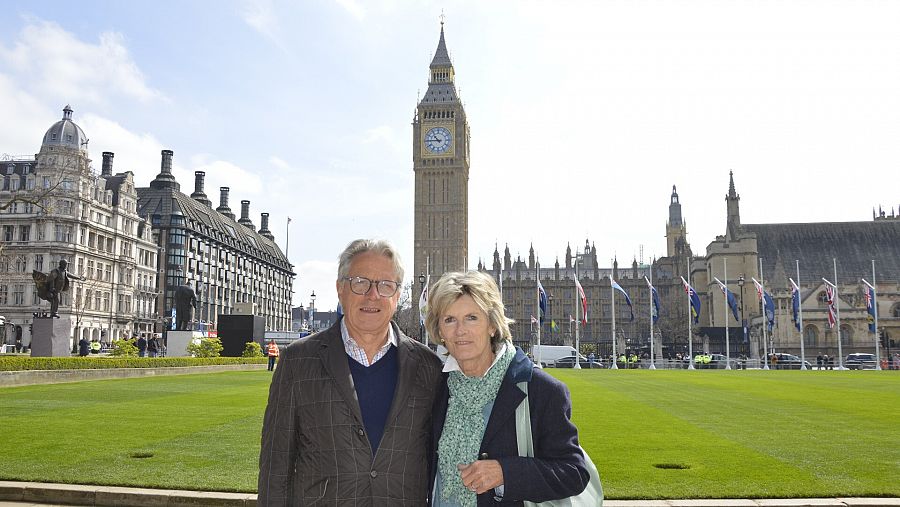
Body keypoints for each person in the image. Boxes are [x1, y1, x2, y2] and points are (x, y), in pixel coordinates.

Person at [258, 239, 443, 505]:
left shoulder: (428, 366)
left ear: (397, 295)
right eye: (360, 282)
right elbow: (276, 466)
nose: (373, 294)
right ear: (340, 289)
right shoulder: (298, 361)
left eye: (385, 285)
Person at [427, 270, 589, 506]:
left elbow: (574, 473)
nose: (460, 330)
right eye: (449, 319)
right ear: (440, 331)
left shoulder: (540, 390)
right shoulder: (436, 388)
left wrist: (505, 473)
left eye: (472, 317)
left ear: (492, 324)